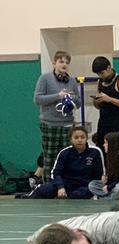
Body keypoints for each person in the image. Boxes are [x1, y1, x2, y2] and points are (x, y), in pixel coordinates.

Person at [34, 50, 81, 182]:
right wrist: (57, 96)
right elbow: (37, 99)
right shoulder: (45, 78)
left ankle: (65, 184)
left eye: (67, 62)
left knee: (67, 156)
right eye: (61, 61)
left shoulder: (71, 81)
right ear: (54, 63)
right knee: (50, 156)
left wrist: (73, 99)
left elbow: (78, 102)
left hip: (67, 124)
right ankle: (49, 185)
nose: (64, 64)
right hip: (50, 124)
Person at [23, 126, 103, 199]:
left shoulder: (95, 152)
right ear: (71, 139)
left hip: (85, 185)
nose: (79, 140)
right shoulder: (64, 153)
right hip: (66, 183)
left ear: (86, 138)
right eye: (76, 137)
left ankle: (68, 197)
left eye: (82, 137)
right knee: (44, 189)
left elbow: (99, 175)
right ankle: (29, 197)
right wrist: (61, 187)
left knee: (78, 195)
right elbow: (56, 173)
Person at [91, 56, 119, 148]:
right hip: (104, 123)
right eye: (98, 74)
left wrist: (110, 99)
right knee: (103, 152)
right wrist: (96, 101)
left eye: (102, 73)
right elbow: (99, 106)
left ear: (109, 68)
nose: (100, 76)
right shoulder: (100, 82)